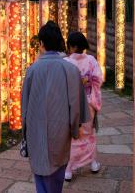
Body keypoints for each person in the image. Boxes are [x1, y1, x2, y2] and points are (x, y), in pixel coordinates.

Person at [21, 21, 89, 193]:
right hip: (60, 129)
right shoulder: (71, 70)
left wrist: (25, 133)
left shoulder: (32, 70)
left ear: (41, 43)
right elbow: (75, 107)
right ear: (60, 43)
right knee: (57, 172)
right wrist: (75, 129)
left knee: (40, 174)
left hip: (36, 130)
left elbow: (25, 108)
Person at [64, 32, 103, 181]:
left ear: (72, 46)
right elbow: (98, 80)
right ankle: (93, 163)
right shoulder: (91, 60)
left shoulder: (66, 62)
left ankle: (68, 169)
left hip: (71, 102)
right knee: (88, 133)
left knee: (73, 135)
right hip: (88, 102)